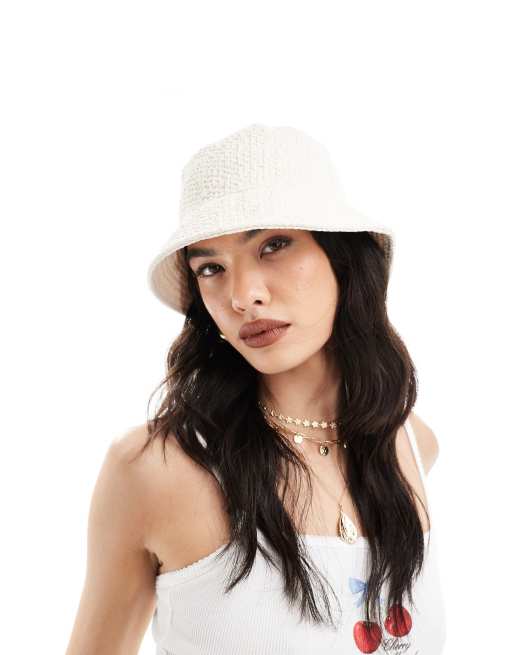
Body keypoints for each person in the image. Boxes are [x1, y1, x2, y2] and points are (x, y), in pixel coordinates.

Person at [65, 123, 447, 654]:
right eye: (211, 268)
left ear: (342, 258)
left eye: (274, 245)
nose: (243, 296)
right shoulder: (156, 469)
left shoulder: (408, 443)